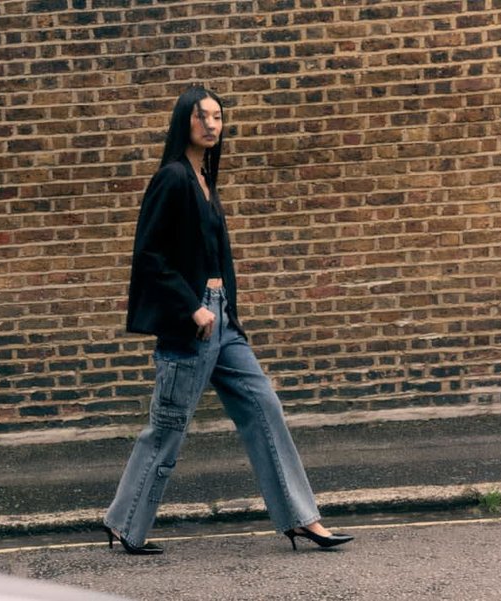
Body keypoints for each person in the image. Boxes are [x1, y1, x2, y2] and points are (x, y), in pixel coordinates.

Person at [100, 86, 354, 555]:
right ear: (185, 122)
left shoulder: (203, 179)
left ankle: (302, 519)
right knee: (168, 427)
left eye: (218, 117)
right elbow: (149, 256)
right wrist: (190, 306)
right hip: (191, 320)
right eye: (203, 116)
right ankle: (124, 523)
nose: (213, 125)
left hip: (222, 322)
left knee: (263, 406)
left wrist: (224, 310)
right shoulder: (173, 178)